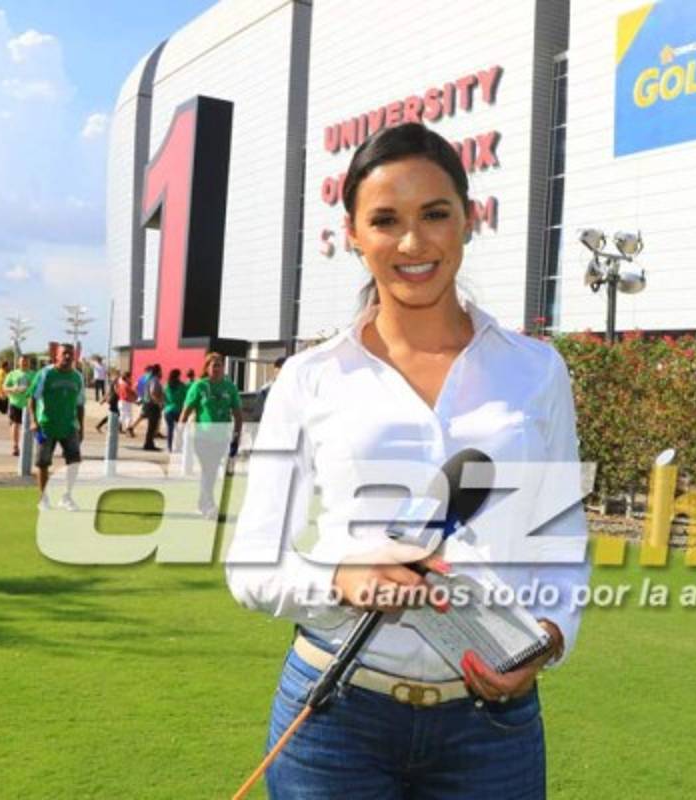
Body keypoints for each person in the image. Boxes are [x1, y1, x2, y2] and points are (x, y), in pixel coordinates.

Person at [225, 123, 587, 798]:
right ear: (354, 234)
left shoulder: (536, 371)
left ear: (470, 219)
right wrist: (343, 578)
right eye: (386, 220)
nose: (413, 243)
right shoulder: (308, 377)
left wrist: (547, 637)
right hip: (335, 721)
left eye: (435, 215)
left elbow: (561, 537)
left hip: (492, 728)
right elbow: (250, 563)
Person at [179, 353, 242, 518]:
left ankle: (202, 504)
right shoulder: (199, 386)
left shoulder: (230, 387)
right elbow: (186, 410)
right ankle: (209, 506)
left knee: (211, 471)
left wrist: (237, 435)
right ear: (207, 368)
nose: (217, 368)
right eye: (213, 365)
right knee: (209, 469)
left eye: (219, 365)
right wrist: (179, 432)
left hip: (222, 437)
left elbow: (238, 413)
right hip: (202, 437)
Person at [28, 343, 85, 511]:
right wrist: (33, 421)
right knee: (43, 463)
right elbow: (32, 398)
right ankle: (44, 499)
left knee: (74, 462)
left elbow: (80, 404)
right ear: (56, 356)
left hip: (69, 426)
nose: (68, 357)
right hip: (47, 425)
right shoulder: (45, 374)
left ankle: (66, 497)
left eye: (70, 354)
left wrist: (81, 427)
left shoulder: (78, 377)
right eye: (64, 353)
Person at [3, 356, 37, 457]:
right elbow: (4, 387)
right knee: (15, 425)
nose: (25, 363)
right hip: (16, 403)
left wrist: (31, 389)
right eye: (23, 362)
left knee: (34, 426)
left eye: (27, 362)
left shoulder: (34, 374)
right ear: (18, 362)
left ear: (29, 363)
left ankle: (37, 446)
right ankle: (15, 446)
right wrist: (14, 389)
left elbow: (38, 387)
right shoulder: (12, 374)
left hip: (30, 405)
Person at [140, 364, 164, 451]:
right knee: (152, 426)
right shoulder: (154, 379)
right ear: (158, 371)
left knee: (151, 426)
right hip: (152, 405)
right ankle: (148, 444)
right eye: (161, 370)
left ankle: (149, 443)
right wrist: (159, 402)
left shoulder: (149, 379)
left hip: (148, 403)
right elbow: (153, 392)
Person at [163, 368, 188, 453]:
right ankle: (179, 447)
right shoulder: (182, 386)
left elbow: (164, 397)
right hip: (179, 410)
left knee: (170, 430)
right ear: (178, 376)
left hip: (168, 410)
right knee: (180, 430)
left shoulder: (167, 385)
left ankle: (169, 447)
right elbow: (186, 398)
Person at [116, 370, 137, 436]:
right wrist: (134, 399)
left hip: (123, 402)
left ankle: (118, 428)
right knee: (128, 416)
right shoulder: (125, 385)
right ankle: (128, 430)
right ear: (127, 377)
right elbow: (127, 396)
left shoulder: (123, 384)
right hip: (125, 402)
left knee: (123, 416)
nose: (131, 378)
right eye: (130, 377)